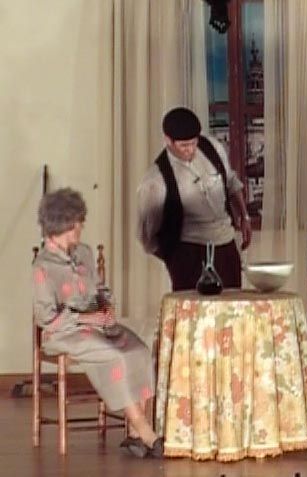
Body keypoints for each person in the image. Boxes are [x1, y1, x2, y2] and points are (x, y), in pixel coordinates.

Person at [32, 188, 162, 458]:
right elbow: (45, 317)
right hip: (64, 333)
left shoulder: (85, 253)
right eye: (77, 221)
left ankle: (135, 435)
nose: (81, 226)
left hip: (99, 325)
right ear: (63, 224)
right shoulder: (42, 266)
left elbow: (101, 289)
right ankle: (145, 430)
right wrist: (84, 318)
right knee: (115, 357)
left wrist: (107, 308)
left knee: (139, 351)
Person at [137, 107, 252, 291]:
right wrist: (175, 259)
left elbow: (231, 182)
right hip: (190, 252)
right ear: (168, 140)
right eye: (184, 146)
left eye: (193, 143)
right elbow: (147, 237)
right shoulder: (156, 180)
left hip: (226, 246)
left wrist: (244, 216)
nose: (190, 150)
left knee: (232, 302)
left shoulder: (212, 147)